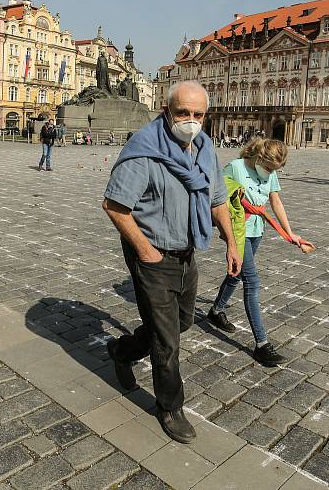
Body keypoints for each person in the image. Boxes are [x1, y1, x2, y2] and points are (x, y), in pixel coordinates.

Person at [103, 81, 241, 444]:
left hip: (187, 250)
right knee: (167, 341)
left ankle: (122, 350)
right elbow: (115, 207)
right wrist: (146, 252)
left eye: (198, 114)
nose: (191, 121)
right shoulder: (144, 151)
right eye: (183, 113)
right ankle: (170, 406)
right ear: (167, 111)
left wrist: (231, 242)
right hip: (152, 253)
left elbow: (216, 199)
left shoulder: (206, 148)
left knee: (180, 323)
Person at [206, 138, 314, 367]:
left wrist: (291, 234)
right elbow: (218, 200)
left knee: (237, 274)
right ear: (258, 157)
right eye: (268, 168)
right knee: (252, 281)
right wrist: (228, 236)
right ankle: (262, 344)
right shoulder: (235, 168)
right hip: (239, 230)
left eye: (274, 170)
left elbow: (276, 202)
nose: (270, 172)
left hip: (257, 229)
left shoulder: (270, 172)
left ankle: (216, 310)